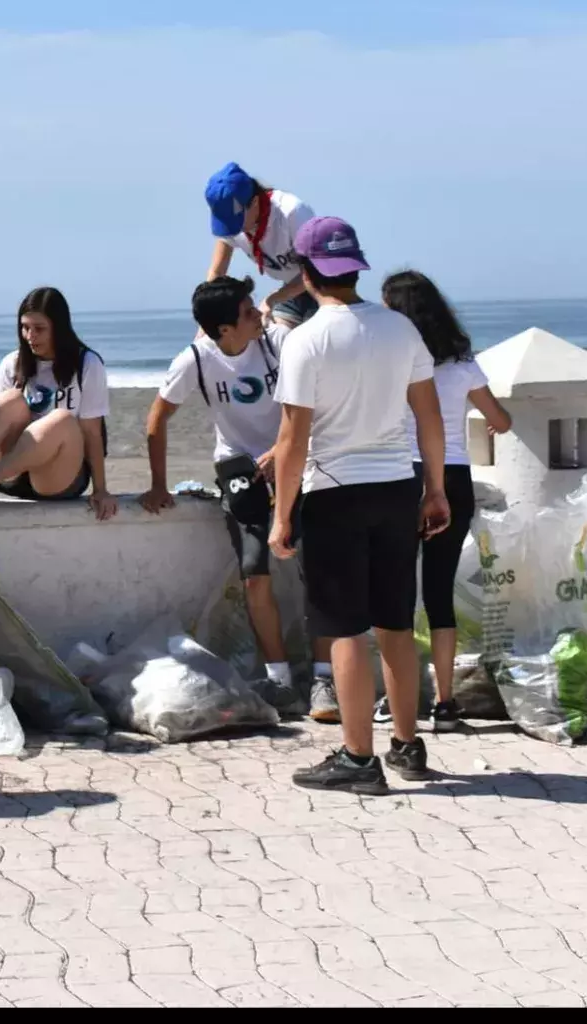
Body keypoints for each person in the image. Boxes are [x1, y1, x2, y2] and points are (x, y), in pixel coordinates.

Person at [268, 217, 450, 795]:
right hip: (398, 488)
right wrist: (437, 489)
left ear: (306, 271)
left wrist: (281, 514)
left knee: (344, 629)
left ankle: (357, 758)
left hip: (335, 494)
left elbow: (293, 441)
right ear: (355, 268)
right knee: (395, 621)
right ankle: (407, 745)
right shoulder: (399, 327)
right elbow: (429, 416)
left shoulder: (307, 340)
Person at [141, 276, 330, 713]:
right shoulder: (196, 360)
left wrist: (280, 451)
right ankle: (278, 678)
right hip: (239, 468)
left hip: (294, 458)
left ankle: (324, 680)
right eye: (248, 312)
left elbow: (317, 403)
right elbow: (157, 418)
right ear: (224, 329)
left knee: (318, 569)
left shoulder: (278, 341)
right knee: (254, 570)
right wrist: (156, 483)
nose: (258, 314)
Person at [374, 271, 512, 733]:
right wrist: (489, 421)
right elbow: (501, 420)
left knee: (395, 593)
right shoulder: (461, 362)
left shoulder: (392, 361)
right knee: (439, 594)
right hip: (454, 477)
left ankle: (399, 700)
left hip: (403, 475)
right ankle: (446, 704)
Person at [0, 287, 117, 521]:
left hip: (56, 477)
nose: (30, 336)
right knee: (10, 399)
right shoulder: (14, 362)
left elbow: (92, 432)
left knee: (62, 419)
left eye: (39, 329)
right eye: (25, 327)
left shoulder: (87, 364)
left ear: (59, 328)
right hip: (11, 477)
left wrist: (101, 490)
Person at [204, 162, 320, 327]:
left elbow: (316, 270)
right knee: (272, 337)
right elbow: (216, 273)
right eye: (227, 223)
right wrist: (206, 323)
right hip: (291, 289)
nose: (234, 230)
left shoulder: (292, 213)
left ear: (255, 202)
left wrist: (273, 299)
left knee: (310, 342)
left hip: (323, 287)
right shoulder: (232, 226)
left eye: (236, 221)